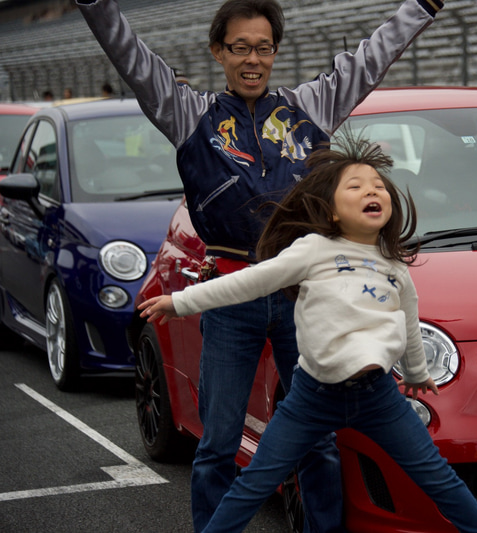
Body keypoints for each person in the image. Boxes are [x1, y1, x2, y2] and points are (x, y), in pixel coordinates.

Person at [75, 0, 445, 531]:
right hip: (231, 295)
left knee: (317, 442)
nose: (253, 59)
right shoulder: (190, 114)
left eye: (264, 48)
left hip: (306, 297)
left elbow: (370, 59)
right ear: (218, 52)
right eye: (240, 48)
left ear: (275, 51)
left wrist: (421, 8)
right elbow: (130, 55)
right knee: (218, 443)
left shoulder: (310, 105)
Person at [139, 137, 477, 533]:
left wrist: (415, 373)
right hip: (311, 398)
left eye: (379, 186)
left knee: (439, 479)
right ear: (331, 213)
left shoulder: (394, 267)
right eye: (356, 186)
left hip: (377, 396)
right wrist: (182, 301)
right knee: (255, 484)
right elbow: (251, 282)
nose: (372, 191)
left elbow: (408, 322)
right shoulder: (313, 249)